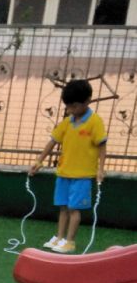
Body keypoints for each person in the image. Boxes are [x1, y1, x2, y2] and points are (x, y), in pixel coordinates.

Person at [29, 78, 107, 253]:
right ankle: (59, 237)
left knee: (73, 209)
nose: (70, 110)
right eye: (68, 107)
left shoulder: (95, 122)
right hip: (64, 173)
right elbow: (52, 141)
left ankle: (70, 242)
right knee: (63, 207)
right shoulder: (67, 122)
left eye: (74, 106)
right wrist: (39, 161)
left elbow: (102, 145)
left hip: (82, 176)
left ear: (87, 101)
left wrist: (101, 169)